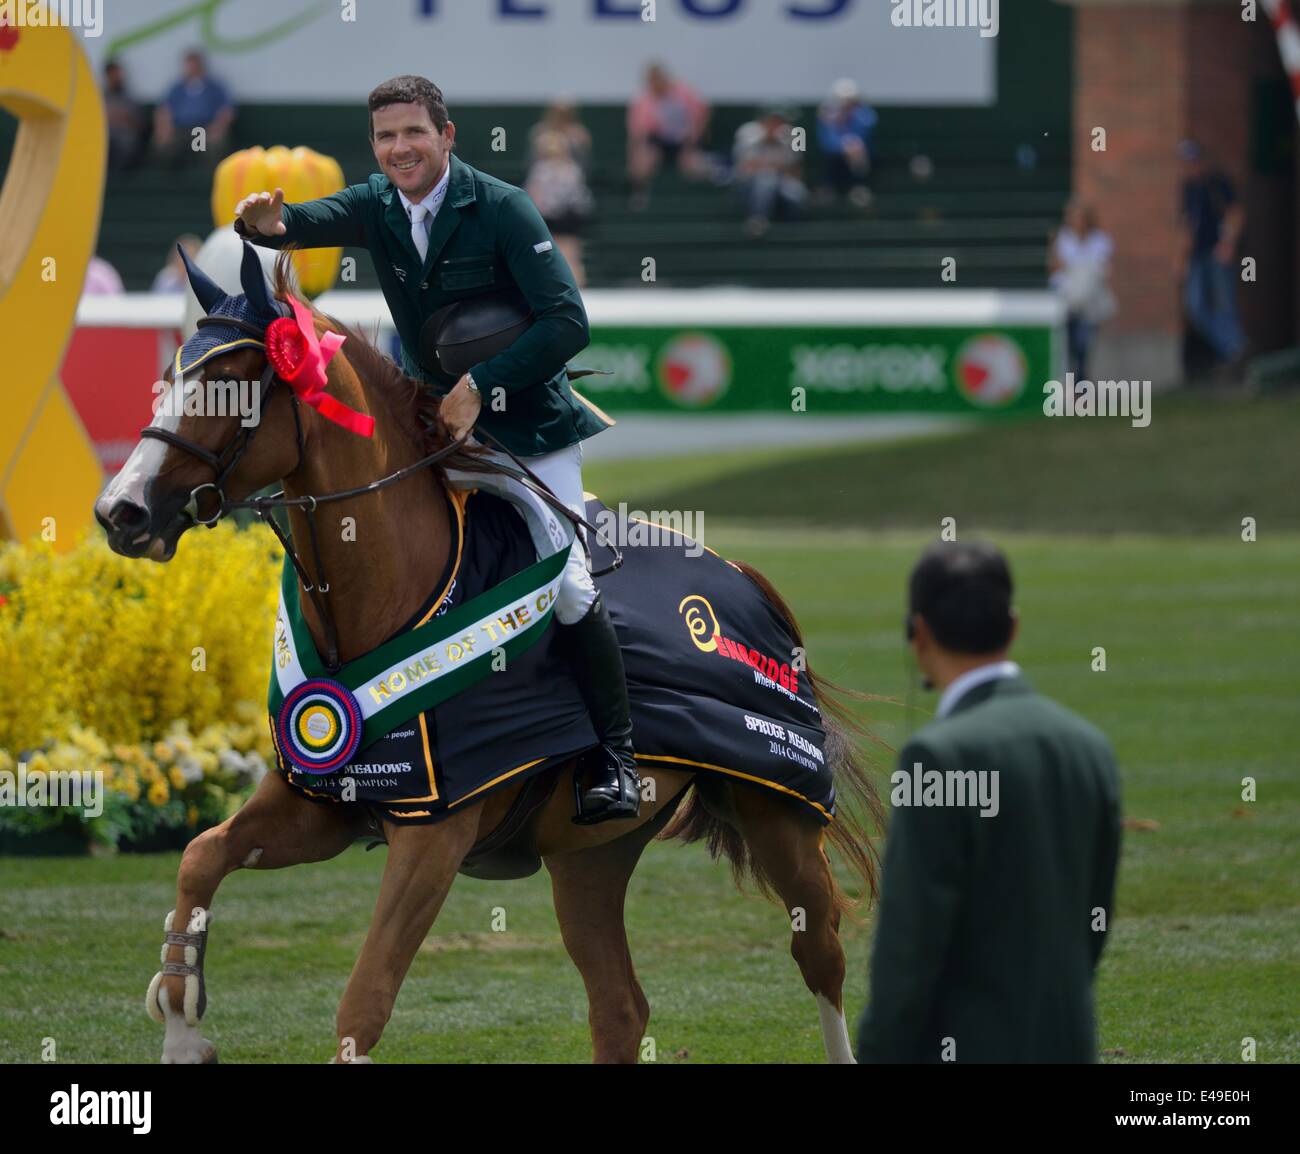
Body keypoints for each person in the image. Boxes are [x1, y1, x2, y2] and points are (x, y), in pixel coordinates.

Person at [232, 75, 638, 824]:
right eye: (386, 137)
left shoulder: (504, 208)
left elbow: (567, 323)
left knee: (572, 584)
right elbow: (304, 222)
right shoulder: (376, 205)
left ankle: (617, 757)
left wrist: (483, 382)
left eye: (413, 133)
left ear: (446, 135)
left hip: (528, 429)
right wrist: (264, 225)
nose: (399, 149)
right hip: (430, 425)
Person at [857, 541, 1122, 1063]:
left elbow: (910, 947)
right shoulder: (1088, 745)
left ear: (920, 633)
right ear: (1013, 626)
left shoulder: (936, 755)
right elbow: (1095, 917)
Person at [1177, 139, 1246, 372]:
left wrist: (1227, 244)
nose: (1191, 166)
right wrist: (1182, 260)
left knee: (1224, 303)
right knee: (1195, 307)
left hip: (1217, 253)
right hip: (1197, 256)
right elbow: (1188, 226)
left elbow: (1235, 214)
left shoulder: (1217, 183)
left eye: (1193, 161)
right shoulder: (1188, 188)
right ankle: (1233, 347)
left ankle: (1236, 350)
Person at [626, 63, 710, 210]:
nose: (655, 84)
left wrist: (692, 139)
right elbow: (638, 132)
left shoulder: (684, 92)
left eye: (658, 79)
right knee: (643, 160)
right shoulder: (643, 100)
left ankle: (698, 200)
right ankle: (639, 193)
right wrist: (635, 152)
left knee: (693, 165)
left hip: (685, 142)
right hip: (658, 142)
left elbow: (701, 115)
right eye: (651, 81)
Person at [1048, 201, 1115, 384]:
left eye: (1078, 217)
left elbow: (1103, 269)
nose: (1074, 221)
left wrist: (1075, 269)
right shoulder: (1061, 239)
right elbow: (1055, 267)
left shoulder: (1100, 240)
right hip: (1066, 299)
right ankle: (1069, 383)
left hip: (1090, 300)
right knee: (1068, 342)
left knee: (1084, 344)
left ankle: (1082, 382)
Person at [525, 130, 593, 287]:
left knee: (551, 253)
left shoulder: (542, 170)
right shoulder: (572, 169)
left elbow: (535, 195)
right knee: (571, 254)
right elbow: (579, 195)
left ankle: (564, 286)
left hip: (554, 216)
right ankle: (577, 287)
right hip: (568, 215)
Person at [732, 106, 807, 236]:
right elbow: (746, 168)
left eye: (781, 121)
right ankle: (757, 221)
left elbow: (796, 170)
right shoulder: (747, 131)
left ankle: (795, 230)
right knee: (767, 179)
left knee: (798, 191)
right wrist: (774, 163)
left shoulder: (796, 133)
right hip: (749, 185)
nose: (777, 125)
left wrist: (770, 165)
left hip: (782, 181)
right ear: (764, 120)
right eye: (773, 121)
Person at [153, 50, 235, 167]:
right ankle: (167, 180)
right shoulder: (177, 87)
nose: (192, 68)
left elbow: (227, 110)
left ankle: (206, 178)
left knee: (210, 145)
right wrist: (165, 128)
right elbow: (164, 110)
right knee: (163, 145)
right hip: (179, 130)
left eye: (195, 65)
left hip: (203, 131)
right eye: (189, 65)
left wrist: (217, 127)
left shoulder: (214, 86)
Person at [816, 78, 876, 208]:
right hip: (835, 156)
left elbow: (865, 132)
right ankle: (829, 188)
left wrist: (852, 144)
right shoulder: (827, 117)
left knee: (857, 151)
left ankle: (858, 187)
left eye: (850, 101)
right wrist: (843, 146)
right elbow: (827, 141)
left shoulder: (864, 115)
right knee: (837, 156)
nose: (846, 105)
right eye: (843, 101)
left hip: (860, 155)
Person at [103, 57, 145, 172]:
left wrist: (123, 118)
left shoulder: (129, 98)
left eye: (118, 74)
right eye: (113, 74)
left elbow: (140, 124)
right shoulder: (100, 97)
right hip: (106, 138)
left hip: (125, 140)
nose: (117, 77)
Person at [528, 99, 592, 173]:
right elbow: (531, 160)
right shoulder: (539, 130)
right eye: (556, 113)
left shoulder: (580, 133)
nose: (559, 117)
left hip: (571, 172)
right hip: (542, 172)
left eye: (563, 114)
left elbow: (584, 162)